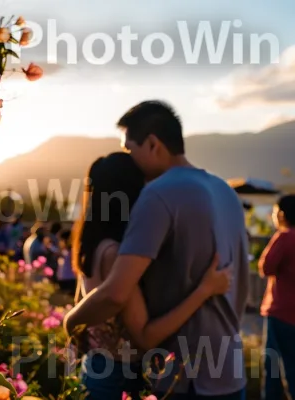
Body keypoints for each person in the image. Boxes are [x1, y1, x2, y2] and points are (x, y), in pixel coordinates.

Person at [64, 101, 250, 399]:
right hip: (229, 367)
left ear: (152, 144)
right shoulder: (225, 190)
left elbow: (115, 293)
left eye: (129, 149)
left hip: (186, 374)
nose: (129, 159)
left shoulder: (158, 194)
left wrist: (70, 322)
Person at [259, 195, 295, 400]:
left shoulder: (285, 236)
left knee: (273, 368)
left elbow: (266, 267)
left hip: (281, 312)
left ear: (282, 214)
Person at [56, 230, 77, 296]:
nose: (59, 243)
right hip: (63, 281)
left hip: (70, 281)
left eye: (60, 240)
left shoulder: (72, 252)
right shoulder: (64, 251)